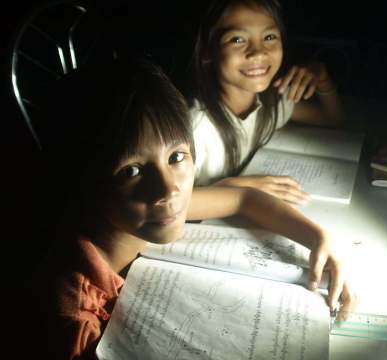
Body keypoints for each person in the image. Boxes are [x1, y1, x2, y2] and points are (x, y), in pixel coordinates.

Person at [21, 58, 353, 359]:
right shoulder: (75, 317)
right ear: (83, 183)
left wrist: (318, 237)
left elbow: (244, 199)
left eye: (177, 157)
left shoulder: (139, 212)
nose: (168, 189)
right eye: (131, 171)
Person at [191, 0, 345, 204]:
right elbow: (160, 204)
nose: (258, 52)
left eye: (269, 37)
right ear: (207, 52)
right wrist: (242, 189)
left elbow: (332, 119)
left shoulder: (272, 102)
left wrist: (323, 79)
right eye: (237, 39)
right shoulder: (194, 126)